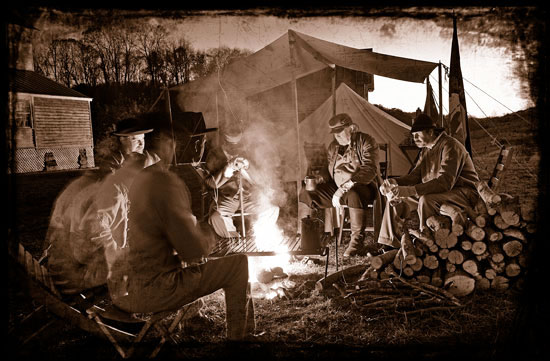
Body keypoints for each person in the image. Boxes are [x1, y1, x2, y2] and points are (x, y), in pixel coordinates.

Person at [108, 123, 256, 341]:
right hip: (154, 291)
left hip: (127, 289)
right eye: (198, 143)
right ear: (170, 146)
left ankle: (246, 335)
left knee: (227, 262)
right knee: (238, 264)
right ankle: (240, 341)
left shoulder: (136, 181)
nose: (200, 148)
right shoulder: (162, 182)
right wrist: (205, 236)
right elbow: (193, 251)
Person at [45, 117, 158, 295]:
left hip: (65, 261)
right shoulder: (111, 184)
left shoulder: (113, 181)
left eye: (142, 141)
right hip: (71, 273)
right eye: (136, 140)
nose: (140, 145)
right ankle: (122, 308)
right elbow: (96, 231)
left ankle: (125, 301)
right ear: (122, 140)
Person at [377, 113, 480, 248]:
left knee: (426, 199)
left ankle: (426, 242)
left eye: (418, 135)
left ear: (431, 132)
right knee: (397, 198)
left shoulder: (450, 146)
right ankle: (389, 243)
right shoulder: (426, 150)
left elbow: (445, 182)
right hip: (440, 192)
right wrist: (394, 183)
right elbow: (415, 176)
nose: (415, 139)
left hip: (464, 193)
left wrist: (411, 190)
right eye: (413, 136)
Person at [299, 113, 384, 258]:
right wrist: (319, 178)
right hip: (339, 188)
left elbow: (369, 169)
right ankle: (309, 238)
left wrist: (343, 189)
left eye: (340, 131)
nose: (336, 136)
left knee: (354, 194)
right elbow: (328, 170)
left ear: (351, 128)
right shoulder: (334, 147)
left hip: (363, 185)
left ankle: (356, 242)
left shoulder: (366, 141)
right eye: (334, 132)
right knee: (307, 192)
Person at [199, 123, 279, 239]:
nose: (235, 150)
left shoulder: (247, 153)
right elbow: (209, 183)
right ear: (224, 142)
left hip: (249, 196)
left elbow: (261, 180)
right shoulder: (214, 156)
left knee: (271, 210)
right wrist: (227, 170)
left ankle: (257, 237)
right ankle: (234, 241)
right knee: (216, 218)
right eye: (231, 146)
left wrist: (248, 167)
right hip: (227, 198)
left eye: (237, 146)